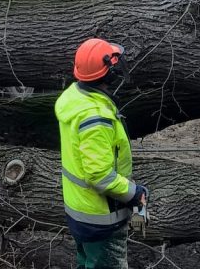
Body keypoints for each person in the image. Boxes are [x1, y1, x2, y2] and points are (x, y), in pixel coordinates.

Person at [55, 38, 148, 269]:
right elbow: (99, 176)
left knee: (88, 263)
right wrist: (134, 193)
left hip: (80, 209)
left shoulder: (75, 97)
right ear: (109, 74)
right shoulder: (95, 118)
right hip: (101, 217)